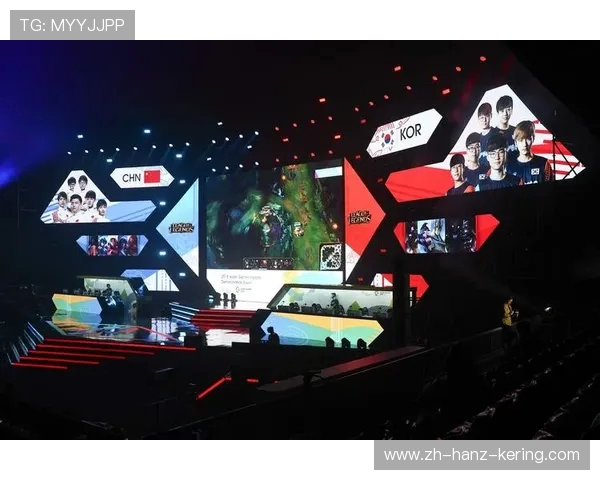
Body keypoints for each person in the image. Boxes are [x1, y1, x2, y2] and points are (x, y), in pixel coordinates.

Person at [508, 120, 554, 184]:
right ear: (515, 142)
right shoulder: (509, 166)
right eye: (521, 140)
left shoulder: (544, 164)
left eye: (528, 139)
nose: (524, 144)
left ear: (533, 139)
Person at [495, 95, 518, 163]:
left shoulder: (517, 131)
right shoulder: (493, 133)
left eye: (508, 109)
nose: (505, 113)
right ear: (497, 112)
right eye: (502, 110)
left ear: (512, 110)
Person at [477, 102, 496, 167]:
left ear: (491, 116)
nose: (484, 120)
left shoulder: (497, 134)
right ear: (478, 119)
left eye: (486, 116)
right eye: (482, 117)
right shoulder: (477, 138)